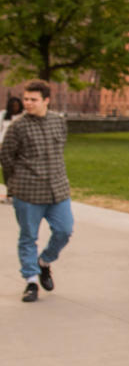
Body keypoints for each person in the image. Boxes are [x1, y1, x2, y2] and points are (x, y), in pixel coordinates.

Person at [1, 81, 73, 303]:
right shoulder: (17, 126)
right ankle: (31, 281)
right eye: (26, 99)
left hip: (57, 190)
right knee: (28, 237)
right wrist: (14, 184)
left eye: (33, 99)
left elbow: (60, 150)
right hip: (28, 192)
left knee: (64, 230)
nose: (28, 103)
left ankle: (44, 262)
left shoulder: (59, 122)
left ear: (46, 101)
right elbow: (6, 157)